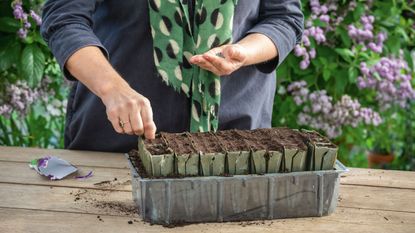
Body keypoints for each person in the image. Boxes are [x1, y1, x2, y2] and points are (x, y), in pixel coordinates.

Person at [41, 0, 304, 152]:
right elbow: (64, 20)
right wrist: (112, 88)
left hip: (235, 144)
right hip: (120, 138)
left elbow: (284, 18)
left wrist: (243, 52)